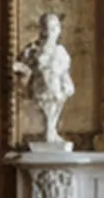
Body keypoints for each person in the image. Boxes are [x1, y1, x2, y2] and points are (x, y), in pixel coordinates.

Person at [12, 12, 74, 149]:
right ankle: (49, 133)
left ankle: (51, 133)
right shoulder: (35, 49)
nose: (51, 32)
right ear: (42, 30)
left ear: (59, 30)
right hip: (41, 86)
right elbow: (22, 65)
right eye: (47, 28)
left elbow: (63, 71)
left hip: (57, 87)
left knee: (55, 110)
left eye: (54, 28)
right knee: (47, 110)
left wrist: (67, 84)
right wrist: (22, 70)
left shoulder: (60, 50)